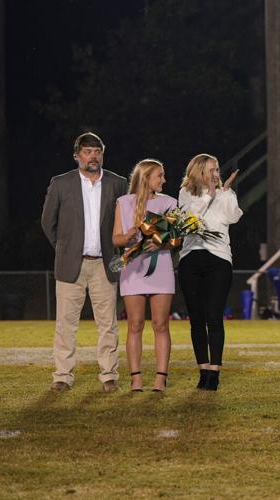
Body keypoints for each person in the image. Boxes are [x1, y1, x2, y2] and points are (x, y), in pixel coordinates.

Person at [41, 132, 128, 392]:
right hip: (71, 265)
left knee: (108, 324)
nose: (93, 156)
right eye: (88, 151)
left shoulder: (118, 183)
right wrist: (64, 248)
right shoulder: (60, 183)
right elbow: (48, 222)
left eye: (98, 151)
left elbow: (127, 220)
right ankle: (63, 376)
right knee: (65, 324)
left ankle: (109, 375)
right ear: (77, 155)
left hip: (105, 264)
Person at [178, 154, 242, 391]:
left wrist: (225, 193)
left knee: (214, 316)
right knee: (196, 318)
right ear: (199, 172)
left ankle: (214, 372)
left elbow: (233, 217)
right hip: (190, 258)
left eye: (217, 169)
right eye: (211, 170)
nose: (216, 173)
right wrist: (212, 194)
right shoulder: (186, 193)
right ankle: (202, 369)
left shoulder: (226, 193)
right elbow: (190, 220)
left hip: (219, 259)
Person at [112, 159, 177, 392]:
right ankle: (136, 378)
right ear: (145, 178)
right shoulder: (124, 202)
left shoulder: (170, 202)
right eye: (159, 176)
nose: (164, 180)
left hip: (161, 269)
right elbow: (116, 239)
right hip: (133, 270)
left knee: (161, 324)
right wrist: (129, 236)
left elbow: (174, 241)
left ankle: (161, 378)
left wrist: (161, 243)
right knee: (135, 324)